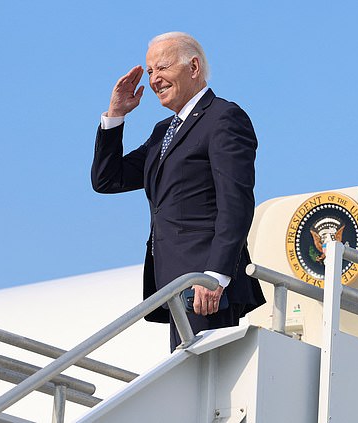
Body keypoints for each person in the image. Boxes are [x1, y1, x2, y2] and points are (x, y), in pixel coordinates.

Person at [91, 31, 265, 351]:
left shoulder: (223, 118)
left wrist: (215, 275)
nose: (155, 79)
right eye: (150, 71)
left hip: (207, 286)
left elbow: (235, 202)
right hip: (174, 286)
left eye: (162, 68)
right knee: (190, 385)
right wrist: (116, 115)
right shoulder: (163, 132)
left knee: (207, 387)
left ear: (193, 67)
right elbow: (108, 179)